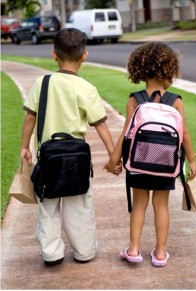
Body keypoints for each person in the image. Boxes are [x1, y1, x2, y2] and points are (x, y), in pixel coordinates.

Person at [21, 28, 121, 266]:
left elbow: (29, 119)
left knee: (48, 206)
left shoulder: (41, 83)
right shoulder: (86, 88)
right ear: (84, 56)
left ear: (53, 54)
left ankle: (52, 254)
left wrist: (25, 146)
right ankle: (84, 252)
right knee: (80, 207)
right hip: (78, 160)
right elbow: (102, 126)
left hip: (48, 159)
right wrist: (112, 156)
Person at [105, 42, 196, 267]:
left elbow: (127, 132)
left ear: (139, 68)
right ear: (169, 68)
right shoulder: (175, 100)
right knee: (161, 206)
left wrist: (114, 160)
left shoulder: (134, 99)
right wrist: (193, 161)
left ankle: (134, 249)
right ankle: (160, 253)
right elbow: (183, 132)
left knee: (139, 205)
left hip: (138, 162)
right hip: (165, 164)